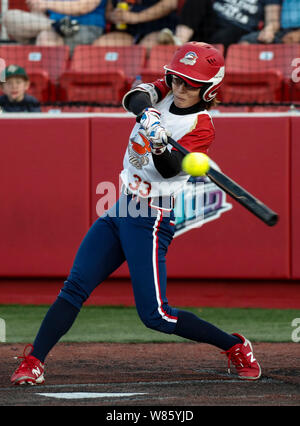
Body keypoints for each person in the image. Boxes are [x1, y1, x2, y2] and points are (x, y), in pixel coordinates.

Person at [10, 42, 261, 386]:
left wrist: (159, 142)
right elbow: (133, 98)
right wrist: (150, 117)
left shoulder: (202, 128)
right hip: (122, 205)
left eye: (191, 84)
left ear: (210, 89)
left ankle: (235, 345)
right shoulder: (164, 91)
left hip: (151, 216)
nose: (180, 87)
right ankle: (34, 360)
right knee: (75, 287)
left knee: (155, 316)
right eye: (177, 79)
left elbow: (170, 168)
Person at [159, 0, 283, 51]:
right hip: (212, 21)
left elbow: (273, 20)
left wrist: (269, 29)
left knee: (224, 36)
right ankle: (178, 42)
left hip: (239, 28)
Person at [3, 0, 107, 54]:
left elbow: (83, 7)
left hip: (84, 29)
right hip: (49, 25)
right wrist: (36, 5)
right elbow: (39, 13)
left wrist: (46, 3)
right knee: (9, 17)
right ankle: (57, 26)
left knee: (45, 37)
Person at [93, 0, 178, 49]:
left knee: (146, 47)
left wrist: (136, 17)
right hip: (128, 32)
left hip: (160, 28)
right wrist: (113, 16)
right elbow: (108, 10)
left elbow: (171, 3)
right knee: (100, 45)